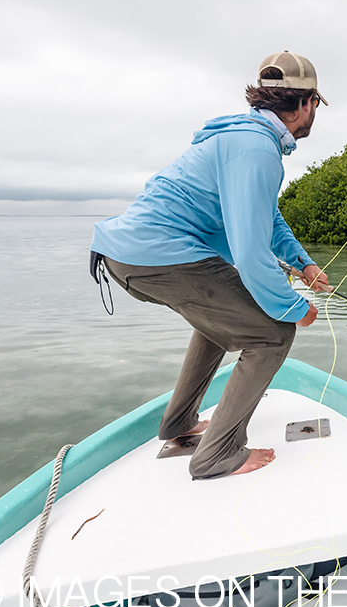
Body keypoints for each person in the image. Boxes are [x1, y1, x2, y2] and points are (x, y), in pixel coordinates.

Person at [90, 51, 331, 480]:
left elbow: (268, 219)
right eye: (316, 104)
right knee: (272, 334)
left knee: (225, 317)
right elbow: (250, 252)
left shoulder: (244, 138)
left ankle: (179, 424)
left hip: (126, 255)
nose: (315, 113)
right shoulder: (256, 149)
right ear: (306, 103)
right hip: (160, 254)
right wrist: (294, 309)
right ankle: (217, 455)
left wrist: (304, 264)